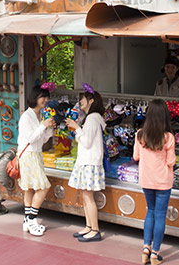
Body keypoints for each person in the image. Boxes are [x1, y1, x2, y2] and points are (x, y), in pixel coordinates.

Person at [133, 99, 176, 265]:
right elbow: (171, 161)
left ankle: (145, 248)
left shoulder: (140, 134)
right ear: (165, 116)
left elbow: (136, 157)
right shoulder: (168, 137)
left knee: (150, 211)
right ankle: (155, 254)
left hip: (146, 180)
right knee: (160, 215)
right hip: (163, 181)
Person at [65, 88, 106, 242]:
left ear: (91, 101)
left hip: (89, 162)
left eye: (83, 98)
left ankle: (95, 230)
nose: (80, 101)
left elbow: (87, 142)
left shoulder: (93, 118)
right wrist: (78, 129)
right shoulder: (92, 118)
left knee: (88, 197)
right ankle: (89, 226)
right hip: (87, 161)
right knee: (85, 195)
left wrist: (77, 128)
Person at [17, 85, 56, 236]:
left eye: (47, 97)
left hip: (36, 154)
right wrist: (43, 126)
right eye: (42, 97)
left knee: (30, 188)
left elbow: (42, 139)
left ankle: (27, 220)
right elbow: (31, 138)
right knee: (44, 186)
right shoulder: (26, 116)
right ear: (35, 97)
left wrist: (49, 129)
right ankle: (33, 219)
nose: (45, 100)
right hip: (28, 155)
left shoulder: (40, 115)